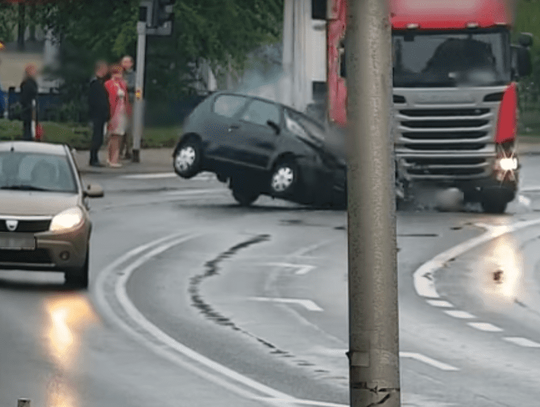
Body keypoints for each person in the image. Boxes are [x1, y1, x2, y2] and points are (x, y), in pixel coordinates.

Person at [105, 64, 131, 168]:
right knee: (113, 135)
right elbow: (111, 97)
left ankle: (114, 157)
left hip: (121, 112)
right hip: (113, 112)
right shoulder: (109, 84)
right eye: (117, 73)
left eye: (120, 73)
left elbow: (126, 98)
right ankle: (112, 159)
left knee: (119, 135)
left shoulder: (122, 84)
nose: (119, 76)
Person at [88, 61, 110, 167]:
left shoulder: (100, 82)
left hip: (100, 114)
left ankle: (94, 157)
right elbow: (96, 100)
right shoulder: (95, 84)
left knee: (99, 136)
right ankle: (93, 158)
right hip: (97, 114)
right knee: (97, 137)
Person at [120, 55, 135, 160]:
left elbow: (134, 86)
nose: (124, 64)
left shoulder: (134, 75)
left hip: (129, 102)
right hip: (119, 103)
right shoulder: (119, 73)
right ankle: (118, 150)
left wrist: (125, 85)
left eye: (127, 62)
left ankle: (128, 150)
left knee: (128, 128)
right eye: (123, 62)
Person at [20, 64, 38, 141]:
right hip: (29, 109)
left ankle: (29, 137)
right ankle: (29, 138)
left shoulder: (27, 83)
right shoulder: (29, 84)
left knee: (28, 126)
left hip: (28, 109)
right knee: (29, 126)